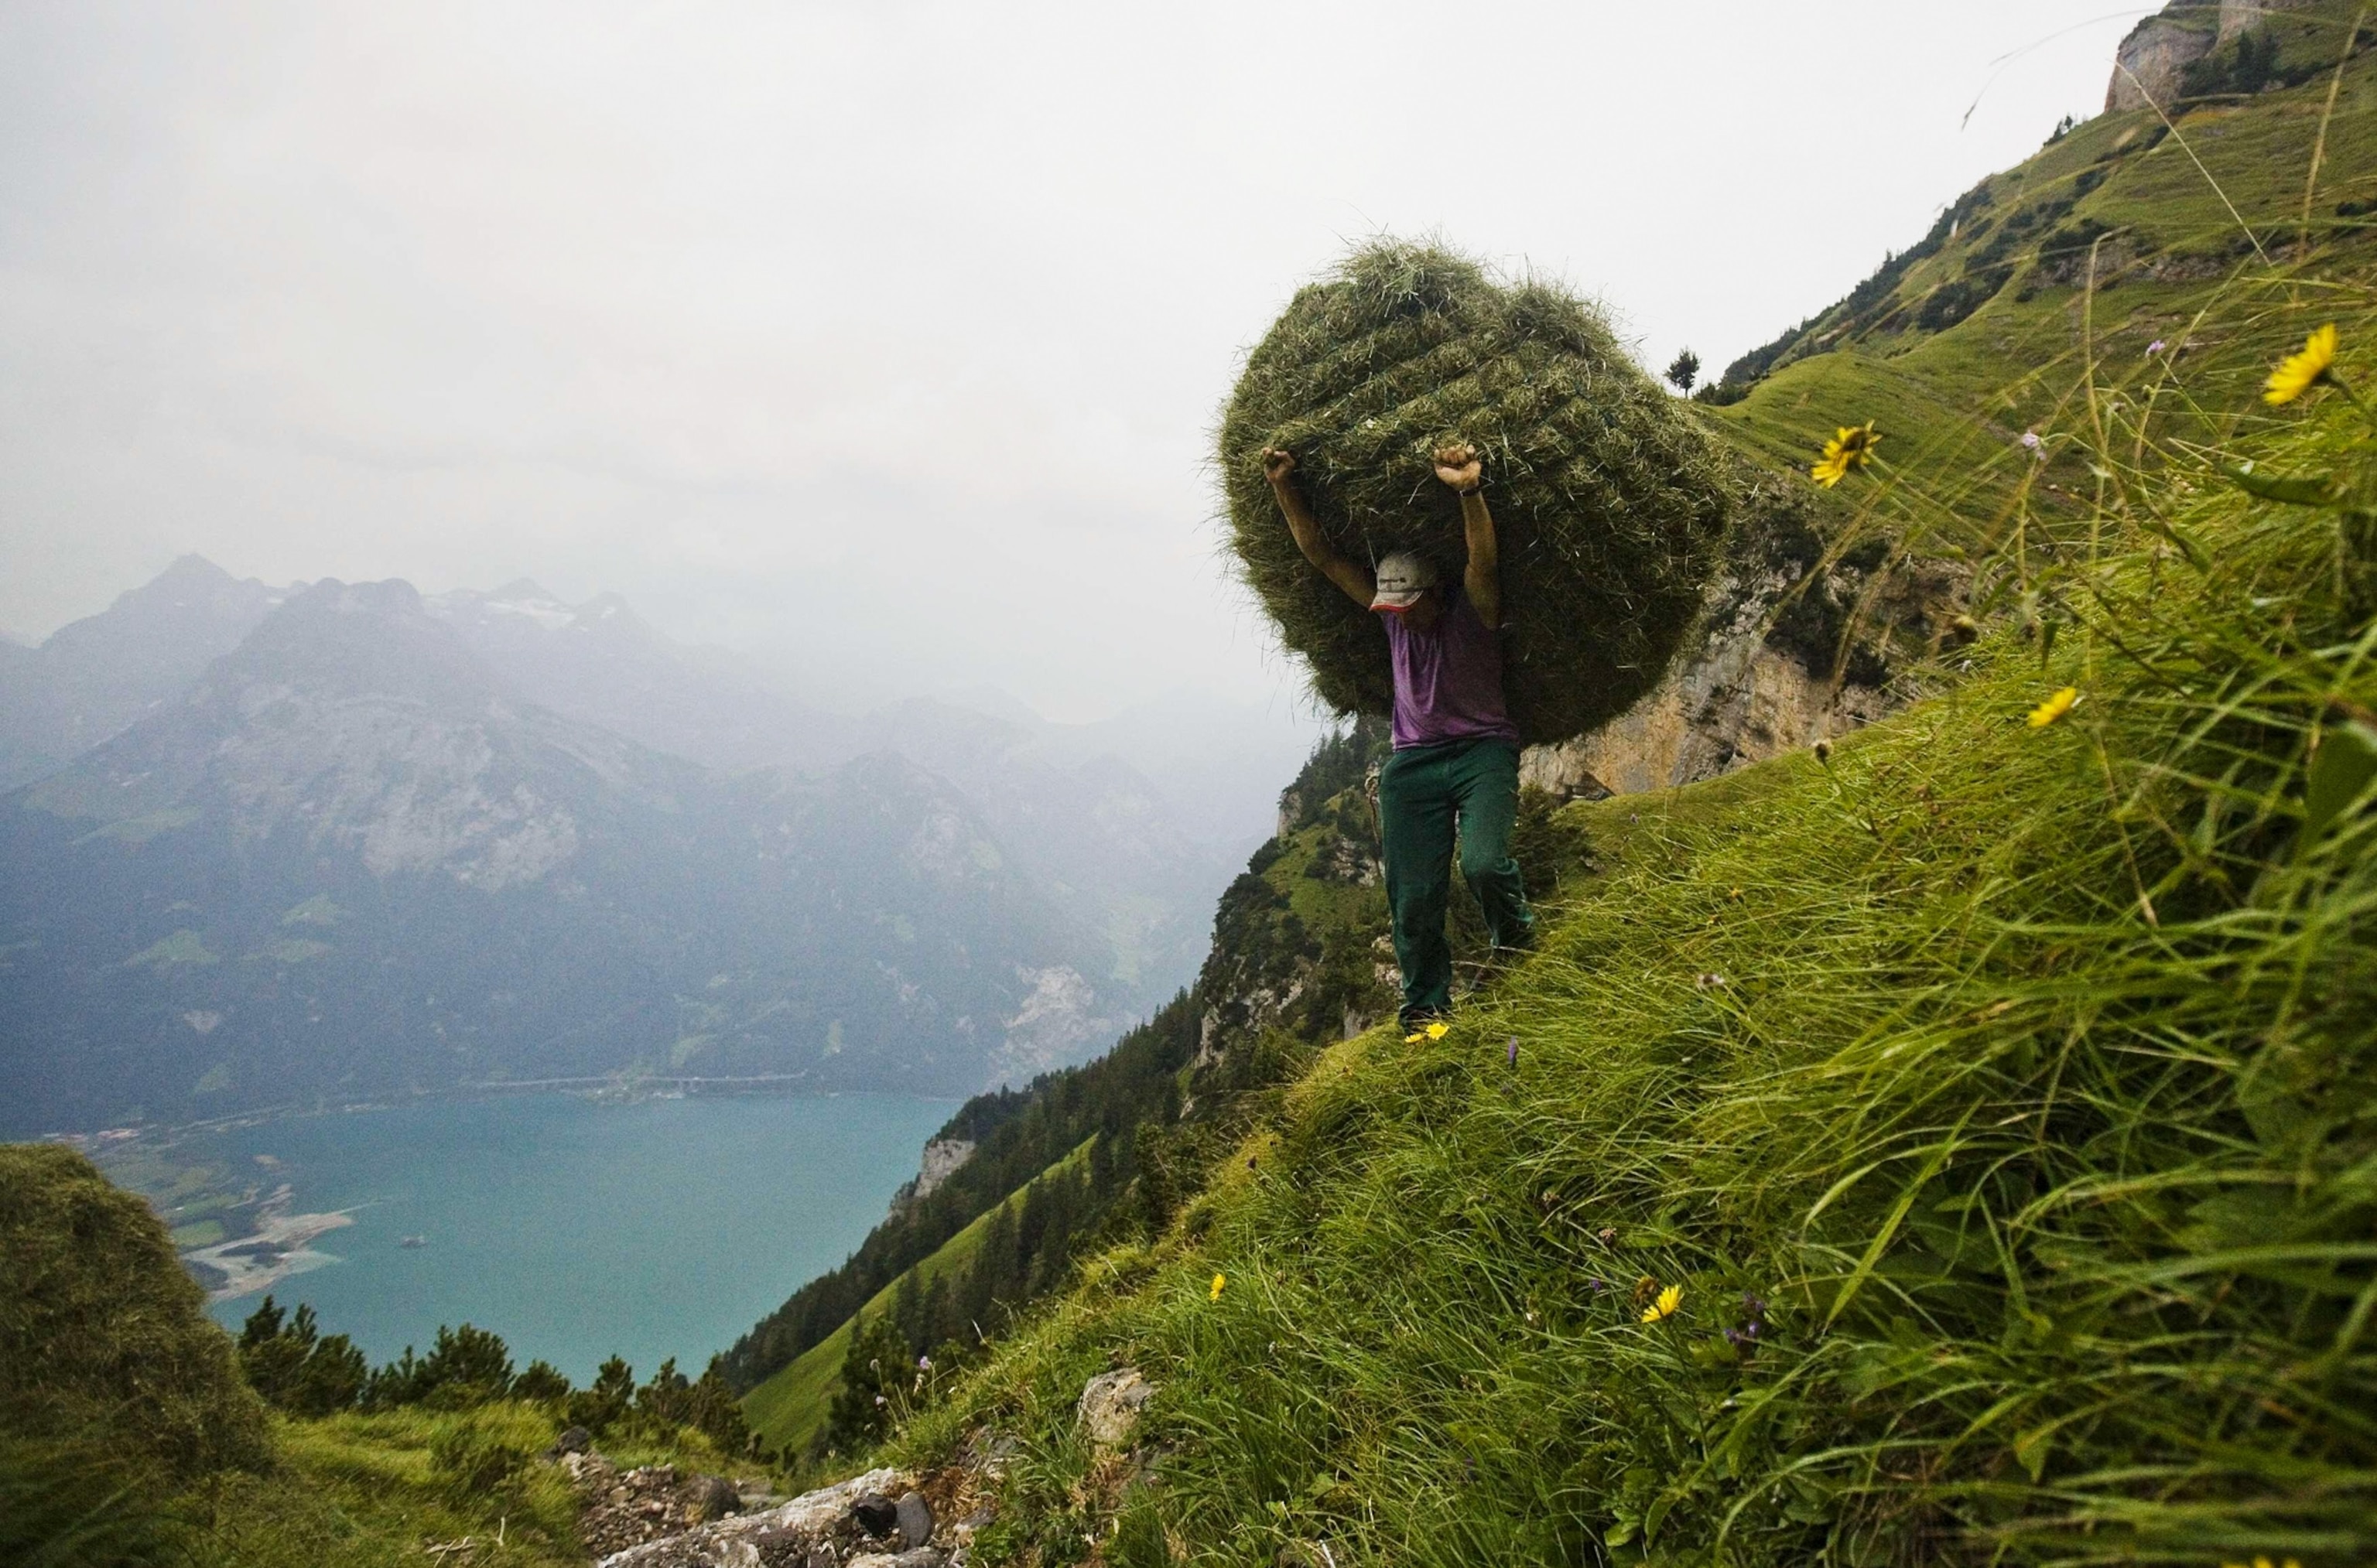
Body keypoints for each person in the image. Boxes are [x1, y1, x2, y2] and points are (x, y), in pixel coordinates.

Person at [1263, 441, 1536, 1033]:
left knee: (1484, 865)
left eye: (1409, 604)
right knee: (1412, 897)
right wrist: (1284, 486)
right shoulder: (1392, 619)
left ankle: (1518, 946)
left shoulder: (1475, 609)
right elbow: (1322, 557)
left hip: (1483, 751)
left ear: (1436, 591)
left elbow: (1483, 561)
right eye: (1392, 607)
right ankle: (1426, 1012)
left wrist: (1468, 489)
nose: (1399, 615)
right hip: (1413, 762)